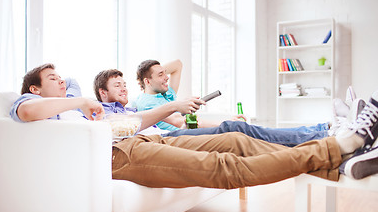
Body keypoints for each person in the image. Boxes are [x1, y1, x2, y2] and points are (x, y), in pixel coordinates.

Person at [10, 63, 378, 187]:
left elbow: (128, 118)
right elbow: (28, 112)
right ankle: (338, 145)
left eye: (62, 77)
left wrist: (85, 101)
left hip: (144, 140)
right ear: (34, 88)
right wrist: (81, 98)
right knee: (225, 167)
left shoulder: (78, 106)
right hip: (112, 155)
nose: (62, 81)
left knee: (238, 140)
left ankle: (340, 164)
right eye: (52, 77)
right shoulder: (32, 103)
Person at [94, 68, 329, 146]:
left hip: (169, 133)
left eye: (125, 84)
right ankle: (321, 133)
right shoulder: (133, 106)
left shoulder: (132, 107)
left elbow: (177, 66)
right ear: (103, 93)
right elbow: (179, 122)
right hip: (167, 137)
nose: (124, 88)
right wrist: (176, 105)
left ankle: (319, 132)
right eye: (118, 85)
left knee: (241, 130)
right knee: (237, 130)